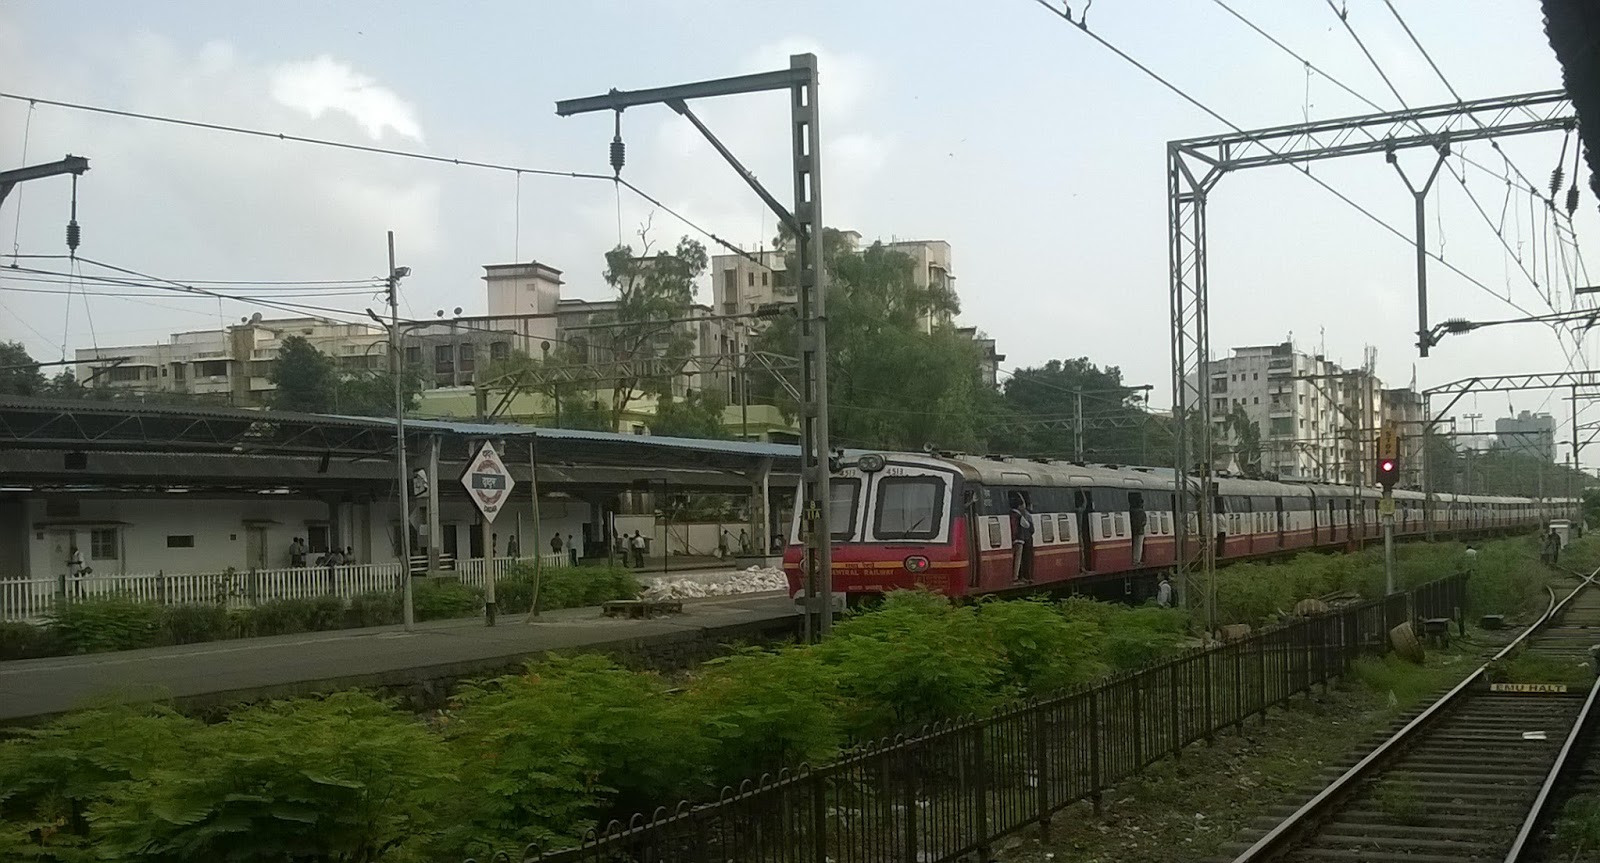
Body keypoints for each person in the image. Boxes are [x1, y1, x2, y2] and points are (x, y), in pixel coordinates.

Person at [1011, 494, 1035, 584]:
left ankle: (1017, 576)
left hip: (1012, 539)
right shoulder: (1019, 515)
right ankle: (1015, 577)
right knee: (1018, 559)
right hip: (1019, 539)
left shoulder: (1010, 513)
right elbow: (1027, 525)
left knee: (1015, 558)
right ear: (1019, 506)